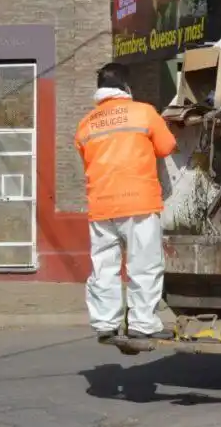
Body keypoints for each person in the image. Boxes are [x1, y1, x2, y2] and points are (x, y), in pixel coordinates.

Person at [75, 62, 177, 342]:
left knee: (104, 267)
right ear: (126, 87)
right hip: (138, 203)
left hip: (101, 206)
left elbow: (88, 161)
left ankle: (105, 324)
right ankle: (142, 324)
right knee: (143, 264)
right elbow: (166, 147)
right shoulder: (144, 112)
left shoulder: (85, 124)